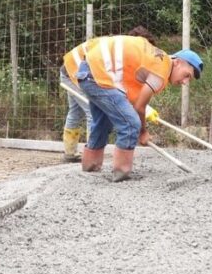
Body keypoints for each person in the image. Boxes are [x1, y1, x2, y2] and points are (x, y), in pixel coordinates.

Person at [73, 34, 203, 182]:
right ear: (178, 62)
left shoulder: (157, 59)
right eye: (187, 75)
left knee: (103, 121)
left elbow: (136, 100)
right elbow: (140, 107)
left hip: (91, 71)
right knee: (130, 123)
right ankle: (121, 173)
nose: (185, 82)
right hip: (97, 74)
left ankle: (90, 167)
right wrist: (143, 132)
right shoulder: (161, 69)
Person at [58, 26, 157, 163]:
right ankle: (92, 154)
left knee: (75, 112)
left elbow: (118, 86)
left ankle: (70, 153)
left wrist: (144, 107)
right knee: (93, 112)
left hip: (70, 68)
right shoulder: (122, 51)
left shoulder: (118, 45)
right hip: (76, 72)